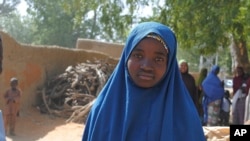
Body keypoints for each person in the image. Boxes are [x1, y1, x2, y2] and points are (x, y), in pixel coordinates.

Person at [82, 22, 205, 141]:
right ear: (127, 56)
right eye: (138, 56)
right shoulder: (103, 111)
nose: (146, 66)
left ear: (169, 64)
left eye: (158, 59)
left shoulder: (185, 118)